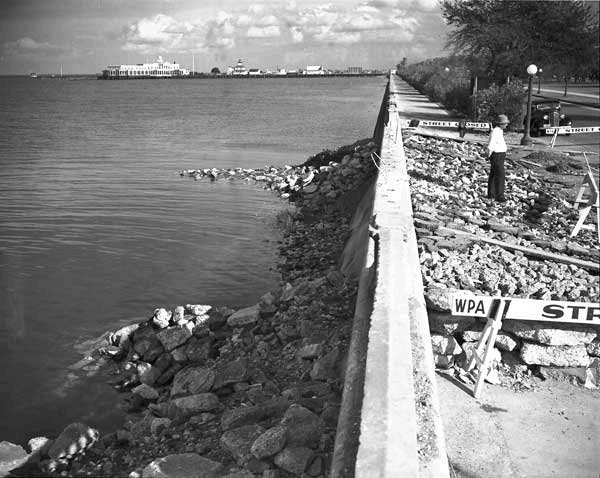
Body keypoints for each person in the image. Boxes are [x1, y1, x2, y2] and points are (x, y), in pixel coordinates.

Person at [487, 114, 509, 202]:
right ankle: (499, 195)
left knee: (493, 174)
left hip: (499, 155)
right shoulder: (496, 132)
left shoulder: (499, 131)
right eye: (505, 123)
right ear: (501, 124)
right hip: (497, 155)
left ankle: (491, 194)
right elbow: (491, 144)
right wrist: (489, 155)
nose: (506, 125)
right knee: (500, 175)